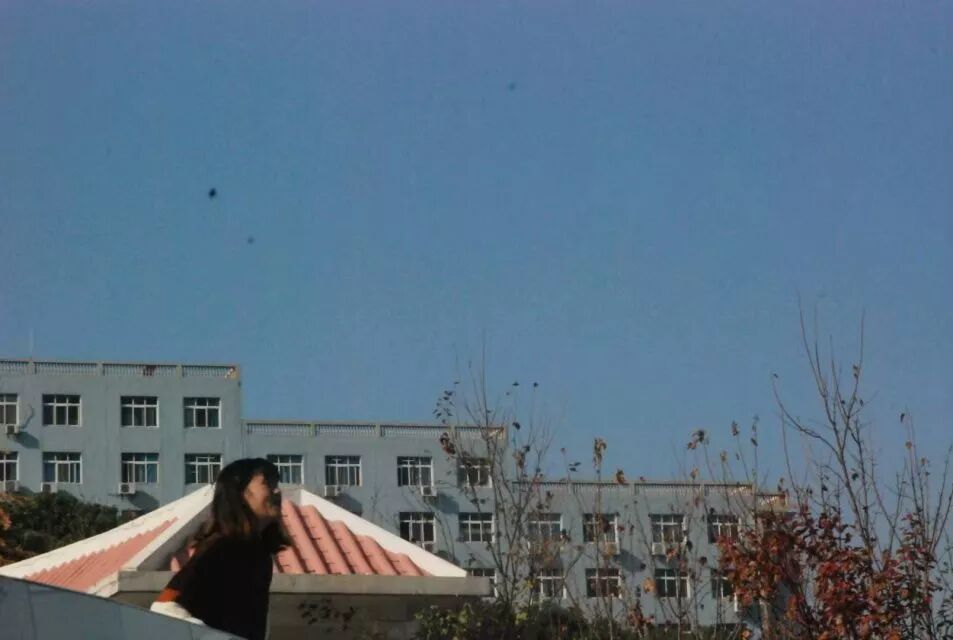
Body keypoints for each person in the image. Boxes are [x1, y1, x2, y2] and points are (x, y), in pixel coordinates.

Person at [151, 458, 289, 640]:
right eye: (267, 483)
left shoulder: (259, 554)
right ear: (239, 493)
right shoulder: (224, 547)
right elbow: (164, 606)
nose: (277, 491)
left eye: (276, 484)